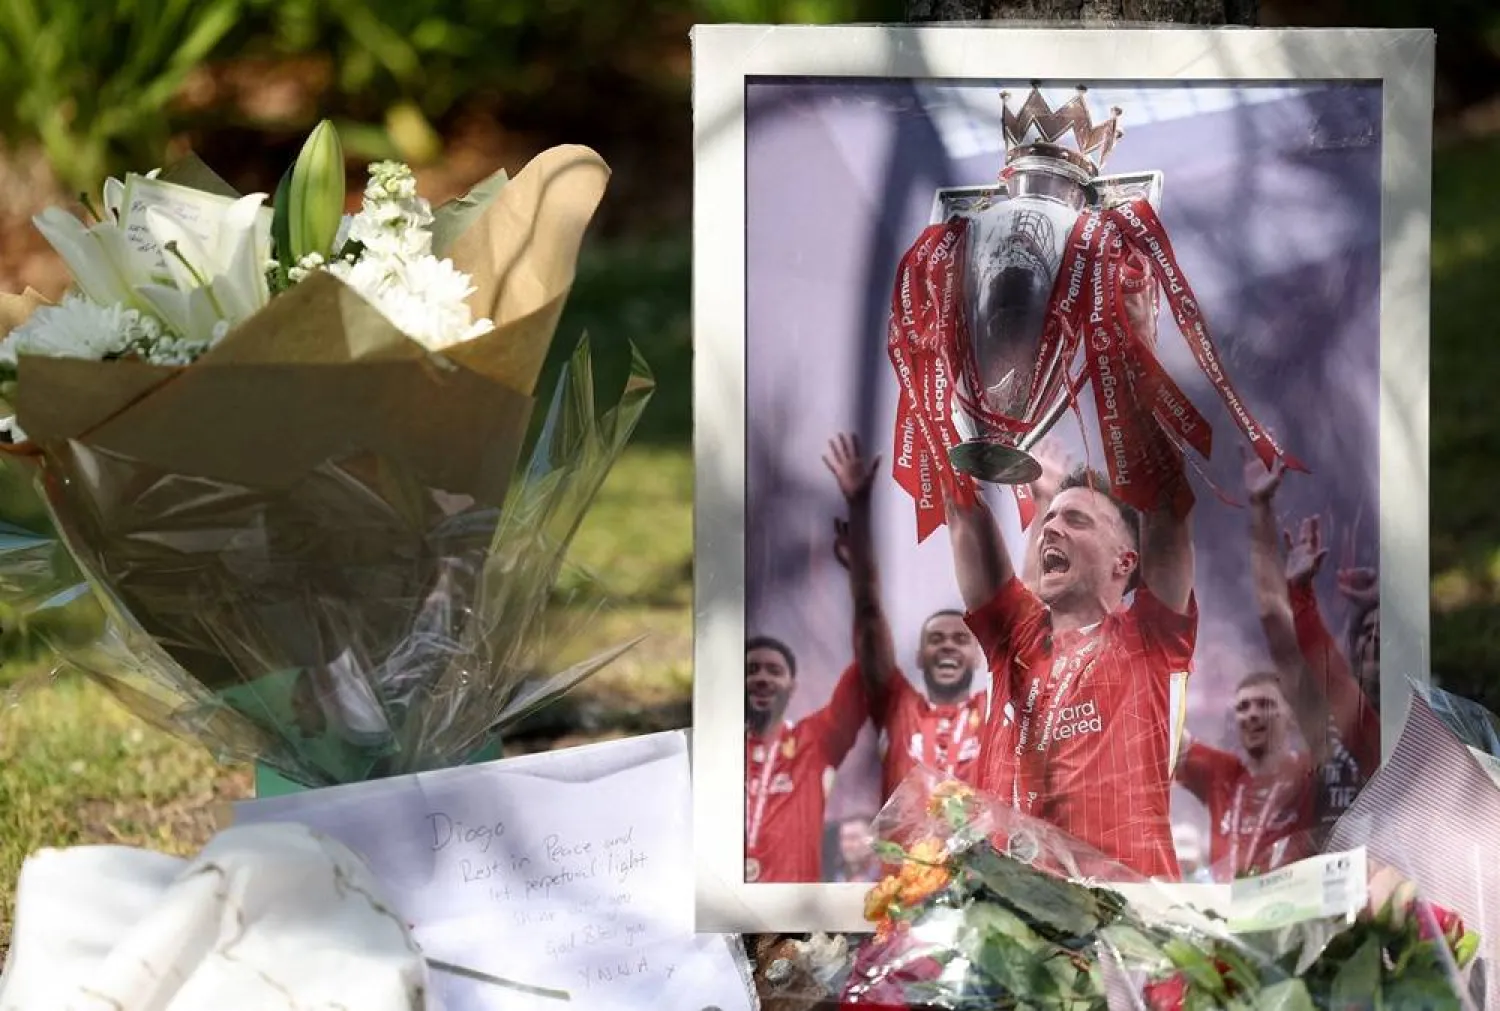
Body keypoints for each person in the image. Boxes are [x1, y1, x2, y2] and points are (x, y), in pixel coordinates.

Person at [944, 455, 1197, 880]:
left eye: (1077, 520)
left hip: (1122, 918)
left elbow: (1169, 515)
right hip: (1006, 916)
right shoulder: (1014, 640)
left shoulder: (1150, 639)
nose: (1051, 528)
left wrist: (1122, 400)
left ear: (1125, 561)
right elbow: (964, 514)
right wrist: (947, 410)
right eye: (1052, 518)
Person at [822, 432, 987, 801]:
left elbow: (1030, 612)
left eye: (960, 639)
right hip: (907, 859)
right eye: (936, 639)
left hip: (982, 859)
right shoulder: (899, 707)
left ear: (978, 656)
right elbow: (868, 613)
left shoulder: (992, 716)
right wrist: (859, 508)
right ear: (918, 655)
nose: (947, 647)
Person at [1244, 452, 1380, 838]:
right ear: (1354, 650)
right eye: (1370, 636)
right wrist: (1260, 508)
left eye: (1386, 639)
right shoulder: (1329, 729)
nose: (1377, 647)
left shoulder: (1420, 739)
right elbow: (1276, 624)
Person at [744, 635, 867, 883]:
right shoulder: (717, 744)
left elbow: (860, 682)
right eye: (751, 670)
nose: (762, 678)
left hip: (793, 910)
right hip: (727, 905)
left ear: (792, 687)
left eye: (775, 671)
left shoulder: (812, 740)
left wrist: (866, 608)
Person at [1174, 671, 1316, 880]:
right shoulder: (1223, 773)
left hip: (1289, 906)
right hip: (1221, 907)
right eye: (1243, 707)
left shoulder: (1310, 772)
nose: (1252, 714)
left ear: (1292, 716)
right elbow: (1167, 734)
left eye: (1264, 704)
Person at [826, 815, 883, 883]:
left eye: (853, 838)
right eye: (843, 838)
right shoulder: (836, 877)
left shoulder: (885, 876)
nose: (846, 845)